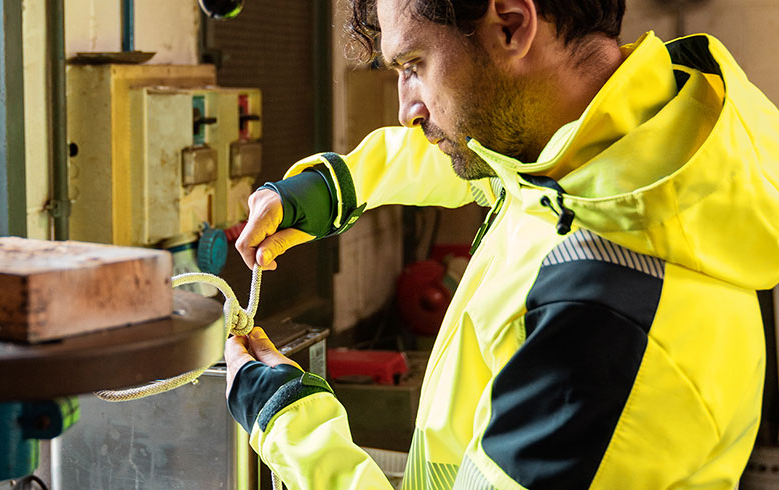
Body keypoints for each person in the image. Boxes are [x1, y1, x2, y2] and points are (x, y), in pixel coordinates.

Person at [224, 0, 779, 488]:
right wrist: (336, 187)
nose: (406, 110)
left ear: (512, 25)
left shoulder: (602, 322)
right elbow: (483, 163)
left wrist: (291, 426)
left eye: (414, 65)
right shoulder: (619, 153)